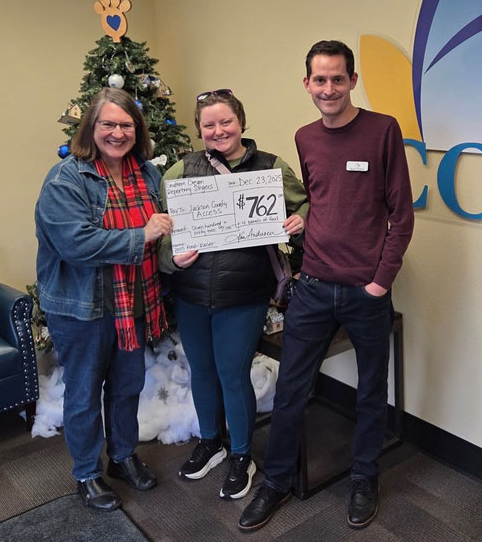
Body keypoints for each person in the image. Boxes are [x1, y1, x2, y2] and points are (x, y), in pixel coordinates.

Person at [239, 40, 414, 531]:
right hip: (313, 286)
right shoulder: (305, 137)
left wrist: (381, 282)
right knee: (292, 391)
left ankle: (364, 476)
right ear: (307, 84)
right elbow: (317, 200)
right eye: (320, 79)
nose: (329, 88)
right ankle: (275, 483)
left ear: (352, 81)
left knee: (369, 391)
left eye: (338, 78)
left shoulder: (382, 130)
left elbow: (401, 215)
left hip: (366, 291)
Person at [160, 89, 308, 501]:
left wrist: (299, 221)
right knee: (202, 372)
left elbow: (308, 206)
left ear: (241, 121)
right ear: (199, 129)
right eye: (209, 124)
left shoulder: (270, 168)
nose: (218, 130)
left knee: (232, 373)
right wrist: (173, 260)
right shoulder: (179, 172)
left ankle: (242, 454)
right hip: (190, 293)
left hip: (243, 295)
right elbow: (162, 233)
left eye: (226, 121)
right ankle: (211, 442)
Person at [35, 88, 173, 512]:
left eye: (126, 125)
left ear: (138, 129)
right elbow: (77, 244)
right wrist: (142, 234)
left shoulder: (147, 173)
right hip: (83, 307)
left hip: (134, 302)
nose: (117, 133)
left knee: (128, 386)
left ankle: (122, 456)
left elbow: (166, 223)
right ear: (91, 128)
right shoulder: (66, 180)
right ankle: (87, 474)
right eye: (108, 124)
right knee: (83, 393)